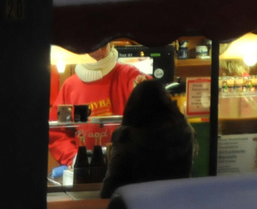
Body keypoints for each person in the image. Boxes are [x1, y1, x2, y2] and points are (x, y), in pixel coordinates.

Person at [49, 44, 147, 172]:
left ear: (111, 44)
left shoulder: (128, 76)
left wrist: (143, 88)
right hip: (85, 170)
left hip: (125, 169)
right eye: (93, 43)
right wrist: (74, 158)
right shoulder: (70, 87)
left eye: (103, 44)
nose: (98, 49)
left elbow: (151, 103)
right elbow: (58, 133)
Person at [99, 78, 194, 198]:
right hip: (174, 205)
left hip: (134, 206)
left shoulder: (126, 136)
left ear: (132, 107)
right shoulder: (184, 133)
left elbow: (110, 187)